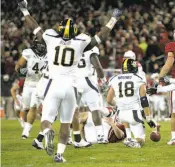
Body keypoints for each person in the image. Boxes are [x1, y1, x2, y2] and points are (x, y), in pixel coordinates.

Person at [18, 0, 121, 162]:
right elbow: (101, 36)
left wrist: (25, 11)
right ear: (74, 31)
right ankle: (59, 154)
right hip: (71, 86)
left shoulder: (51, 38)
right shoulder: (81, 41)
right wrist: (113, 19)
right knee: (66, 123)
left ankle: (46, 134)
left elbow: (35, 27)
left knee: (47, 119)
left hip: (53, 84)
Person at [107, 58, 156, 148]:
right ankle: (132, 140)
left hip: (121, 115)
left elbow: (109, 100)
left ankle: (129, 137)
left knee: (125, 116)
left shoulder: (114, 79)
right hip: (134, 113)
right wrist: (148, 118)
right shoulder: (138, 78)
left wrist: (118, 105)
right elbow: (144, 100)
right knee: (141, 140)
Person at [15, 39, 47, 139]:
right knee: (25, 109)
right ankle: (26, 126)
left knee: (34, 107)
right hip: (28, 84)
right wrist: (19, 70)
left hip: (40, 84)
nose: (41, 46)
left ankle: (26, 131)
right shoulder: (28, 52)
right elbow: (18, 65)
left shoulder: (50, 53)